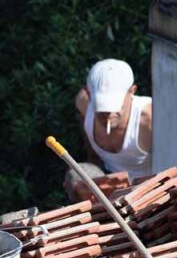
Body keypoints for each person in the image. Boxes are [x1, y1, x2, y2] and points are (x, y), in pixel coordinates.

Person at [65, 59, 153, 201]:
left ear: (132, 91)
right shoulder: (83, 103)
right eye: (102, 109)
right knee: (76, 176)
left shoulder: (149, 119)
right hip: (110, 185)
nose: (109, 115)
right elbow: (91, 151)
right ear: (88, 93)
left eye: (114, 107)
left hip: (149, 191)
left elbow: (173, 169)